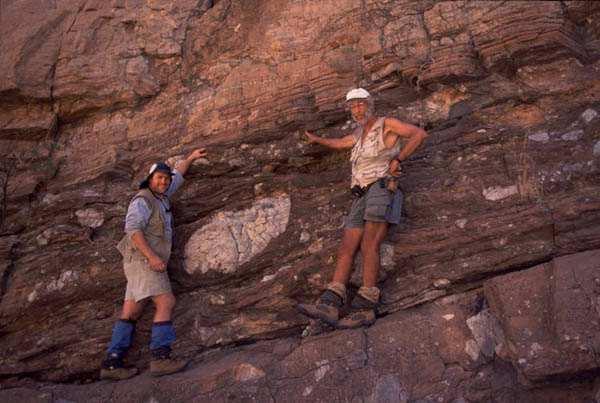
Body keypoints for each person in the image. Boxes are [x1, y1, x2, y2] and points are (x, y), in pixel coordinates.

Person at [297, 88, 427, 329]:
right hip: (361, 194)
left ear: (370, 104)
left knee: (369, 245)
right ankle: (330, 302)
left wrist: (399, 159)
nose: (357, 109)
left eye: (360, 104)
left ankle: (366, 306)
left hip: (381, 188)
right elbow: (339, 143)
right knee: (347, 247)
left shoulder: (386, 124)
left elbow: (419, 134)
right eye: (353, 106)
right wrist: (317, 140)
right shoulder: (358, 134)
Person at [100, 149, 207, 380]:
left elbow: (177, 175)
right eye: (159, 177)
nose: (164, 181)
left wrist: (190, 158)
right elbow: (133, 230)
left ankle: (112, 363)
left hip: (136, 263)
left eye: (166, 179)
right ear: (150, 179)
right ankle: (160, 359)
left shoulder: (162, 196)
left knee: (131, 311)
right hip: (143, 261)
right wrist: (151, 257)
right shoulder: (143, 200)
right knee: (166, 301)